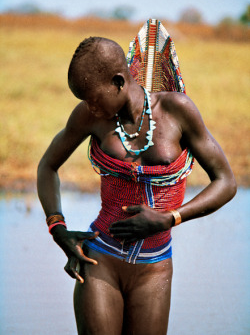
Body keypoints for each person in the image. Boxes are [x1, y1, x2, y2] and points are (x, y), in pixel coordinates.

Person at [37, 19, 236, 335]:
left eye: (93, 98)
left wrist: (170, 218)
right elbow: (47, 166)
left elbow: (226, 182)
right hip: (99, 260)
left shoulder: (177, 112)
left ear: (118, 81)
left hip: (154, 270)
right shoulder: (91, 117)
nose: (88, 107)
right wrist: (57, 228)